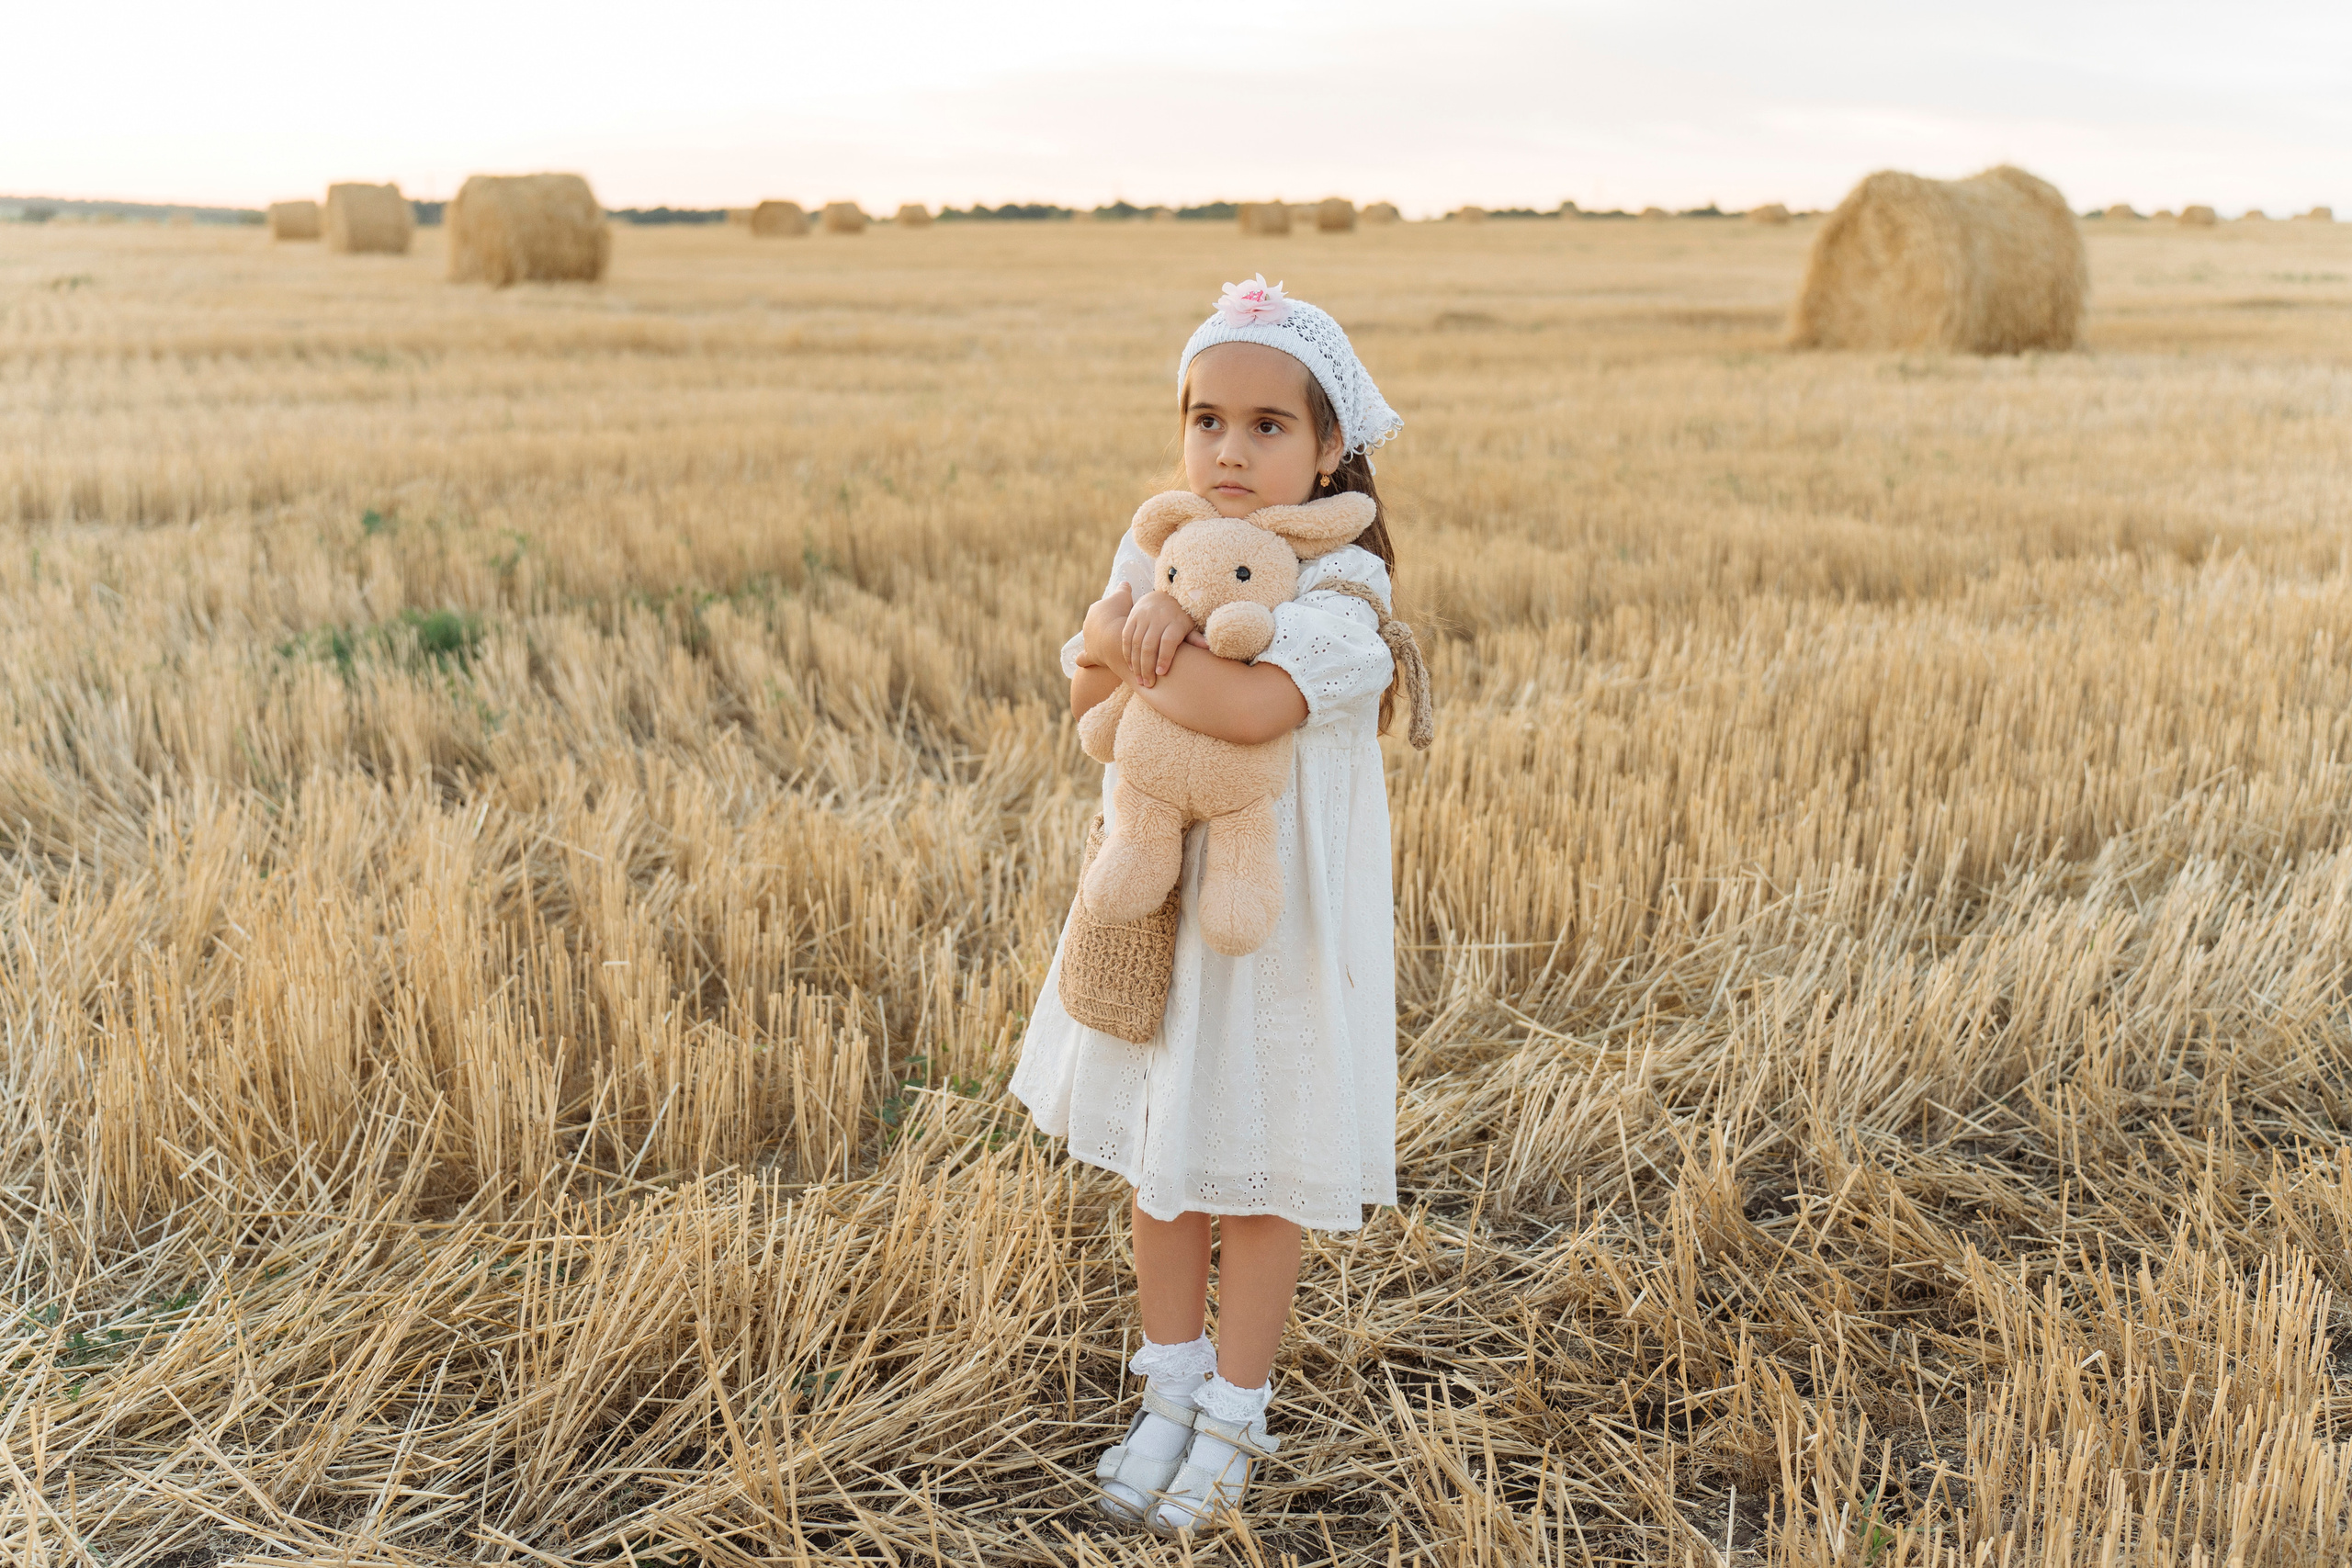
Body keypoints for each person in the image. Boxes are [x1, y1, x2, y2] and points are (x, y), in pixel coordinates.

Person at [1009, 275, 1408, 1537]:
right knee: (1164, 1159)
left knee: (1258, 1176)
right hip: (1165, 914)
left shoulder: (1345, 597)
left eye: (1267, 426)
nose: (1229, 450)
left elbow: (1243, 710)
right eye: (1205, 421)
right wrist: (1127, 642)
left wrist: (1141, 648)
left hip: (1274, 929)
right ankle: (1168, 1392)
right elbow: (1083, 711)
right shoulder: (1163, 551)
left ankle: (1239, 1413)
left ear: (1331, 445)